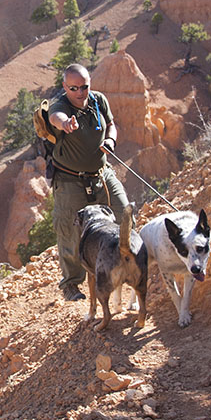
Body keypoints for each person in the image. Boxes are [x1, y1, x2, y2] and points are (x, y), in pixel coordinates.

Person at [48, 63, 129, 301]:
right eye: (74, 88)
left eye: (84, 86)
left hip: (101, 173)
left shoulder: (98, 100)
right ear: (65, 87)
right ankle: (71, 285)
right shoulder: (61, 106)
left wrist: (111, 141)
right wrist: (65, 124)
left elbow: (111, 124)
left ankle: (124, 268)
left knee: (124, 213)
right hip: (70, 180)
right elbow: (55, 116)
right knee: (70, 231)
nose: (81, 92)